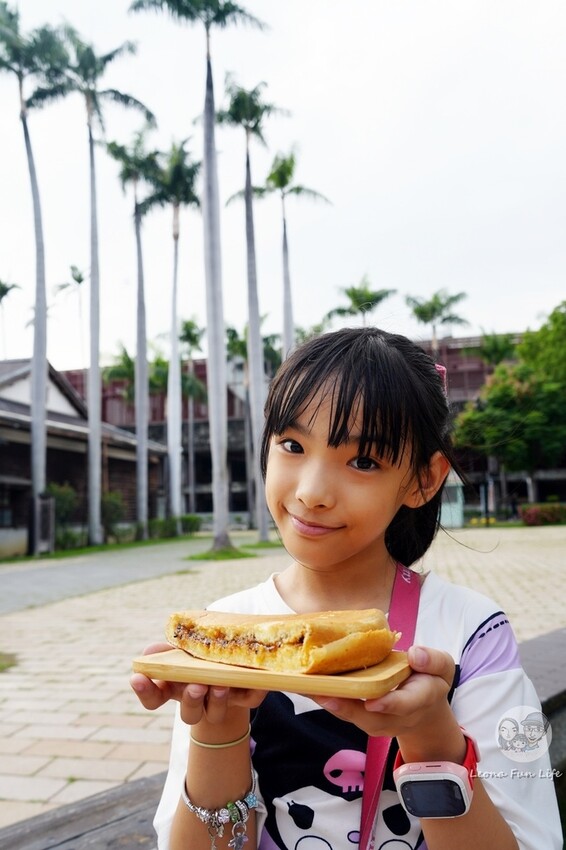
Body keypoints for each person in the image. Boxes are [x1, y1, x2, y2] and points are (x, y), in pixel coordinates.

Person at [131, 327, 562, 850]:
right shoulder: (225, 636)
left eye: (363, 461)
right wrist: (218, 732)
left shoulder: (473, 634)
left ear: (424, 480)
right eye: (292, 445)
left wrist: (430, 733)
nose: (311, 493)